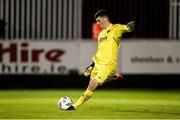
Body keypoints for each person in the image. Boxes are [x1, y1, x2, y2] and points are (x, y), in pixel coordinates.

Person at [67, 9, 134, 110]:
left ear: (104, 18)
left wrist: (130, 26)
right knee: (93, 84)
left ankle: (74, 106)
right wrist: (92, 64)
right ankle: (113, 76)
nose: (97, 23)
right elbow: (99, 52)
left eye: (98, 20)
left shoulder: (117, 28)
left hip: (108, 64)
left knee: (93, 84)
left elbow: (128, 28)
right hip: (98, 64)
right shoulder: (101, 34)